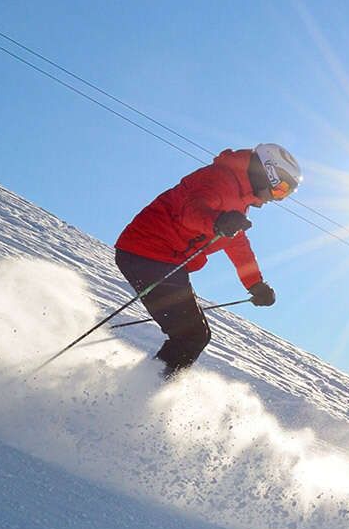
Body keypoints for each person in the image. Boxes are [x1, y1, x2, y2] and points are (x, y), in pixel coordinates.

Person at [114, 143, 302, 377]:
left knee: (194, 334)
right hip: (146, 252)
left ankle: (146, 387)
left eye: (285, 194)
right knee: (192, 335)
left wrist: (255, 284)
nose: (278, 198)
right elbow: (191, 211)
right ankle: (145, 390)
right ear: (269, 173)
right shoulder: (219, 179)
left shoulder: (239, 199)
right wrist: (217, 222)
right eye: (281, 189)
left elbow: (238, 245)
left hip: (165, 260)